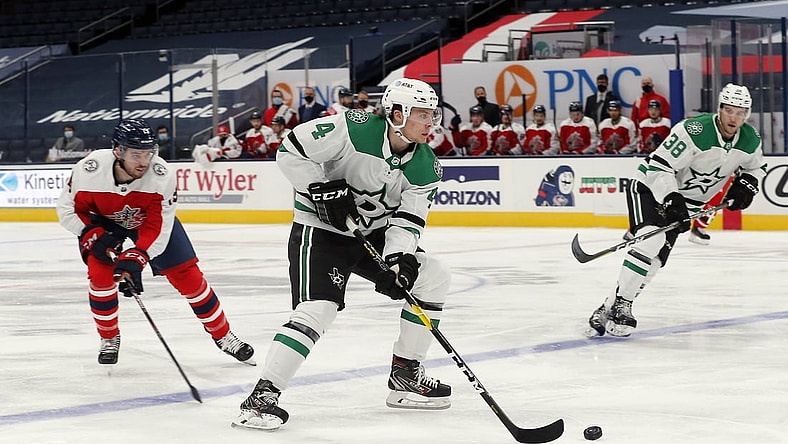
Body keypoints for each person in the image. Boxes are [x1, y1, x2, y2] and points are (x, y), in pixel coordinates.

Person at [232, 78, 452, 431]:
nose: (431, 123)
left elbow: (409, 221)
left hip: (374, 234)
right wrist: (319, 189)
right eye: (422, 115)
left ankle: (405, 375)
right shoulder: (353, 127)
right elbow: (290, 150)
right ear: (397, 114)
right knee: (319, 308)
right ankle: (261, 397)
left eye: (432, 114)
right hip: (320, 231)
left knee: (433, 275)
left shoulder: (426, 165)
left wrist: (398, 260)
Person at [56, 119, 255, 365]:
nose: (143, 162)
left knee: (188, 277)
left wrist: (137, 257)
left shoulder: (161, 175)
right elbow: (68, 210)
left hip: (146, 224)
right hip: (102, 224)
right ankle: (109, 337)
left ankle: (224, 335)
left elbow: (157, 227)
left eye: (148, 153)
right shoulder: (89, 169)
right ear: (118, 151)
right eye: (136, 154)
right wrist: (90, 234)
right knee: (100, 277)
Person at [586, 83, 766, 338]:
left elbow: (755, 167)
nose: (734, 118)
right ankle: (623, 305)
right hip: (650, 188)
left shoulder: (750, 139)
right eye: (729, 111)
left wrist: (747, 184)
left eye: (740, 112)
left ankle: (609, 307)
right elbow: (659, 165)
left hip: (687, 204)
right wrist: (671, 198)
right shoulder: (694, 130)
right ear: (719, 109)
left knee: (657, 261)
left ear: (746, 114)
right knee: (652, 241)